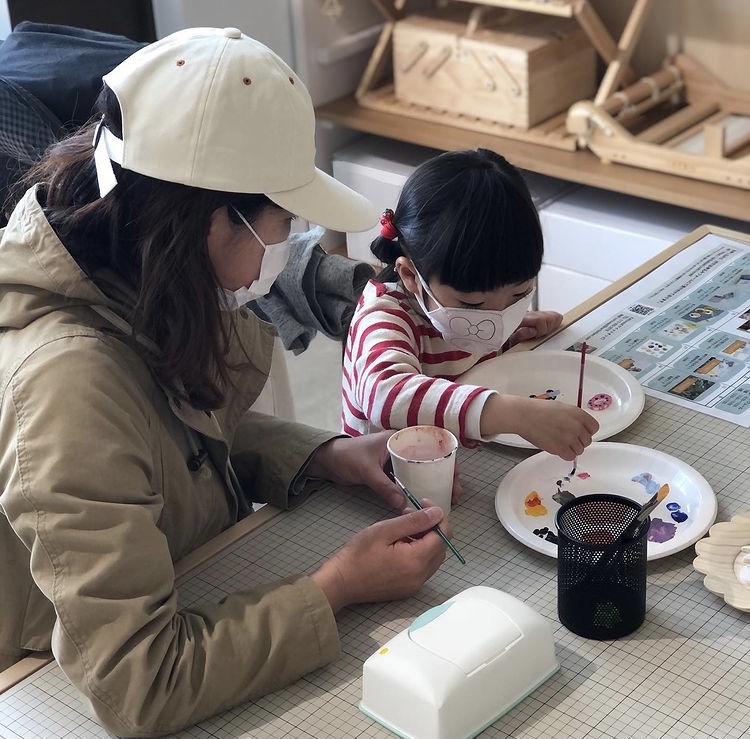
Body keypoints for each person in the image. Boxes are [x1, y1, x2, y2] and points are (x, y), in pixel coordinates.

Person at [0, 27, 451, 737]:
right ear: (215, 223)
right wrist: (337, 586)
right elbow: (140, 682)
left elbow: (157, 436)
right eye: (284, 221)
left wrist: (321, 454)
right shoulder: (69, 386)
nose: (288, 244)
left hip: (185, 579)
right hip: (44, 688)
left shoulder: (128, 272)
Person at [342, 148, 598, 459]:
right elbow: (386, 396)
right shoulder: (384, 315)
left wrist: (511, 334)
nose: (497, 318)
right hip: (389, 473)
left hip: (461, 456)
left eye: (518, 295)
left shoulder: (473, 305)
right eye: (473, 305)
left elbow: (467, 357)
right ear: (410, 276)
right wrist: (519, 415)